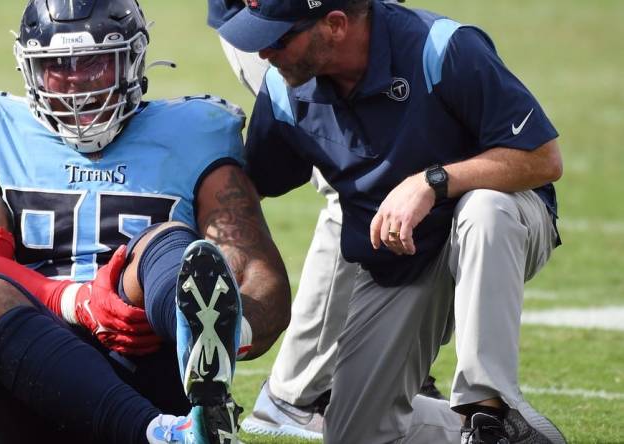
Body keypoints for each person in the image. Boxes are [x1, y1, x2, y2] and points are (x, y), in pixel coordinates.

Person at [0, 0, 291, 443]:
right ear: (28, 66)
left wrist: (232, 331)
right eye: (58, 65)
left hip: (149, 352)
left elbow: (256, 273)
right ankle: (160, 435)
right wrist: (77, 301)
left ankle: (195, 339)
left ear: (133, 58)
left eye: (95, 63)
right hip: (33, 361)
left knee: (168, 241)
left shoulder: (196, 131)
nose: (77, 81)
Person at [218, 0, 566, 443]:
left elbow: (542, 158)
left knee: (483, 209)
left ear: (336, 25)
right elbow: (252, 187)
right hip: (402, 256)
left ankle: (491, 415)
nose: (264, 53)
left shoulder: (441, 47)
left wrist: (432, 182)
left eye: (279, 38)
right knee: (353, 434)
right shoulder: (285, 89)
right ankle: (520, 437)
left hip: (500, 226)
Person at [207, 0, 443, 440]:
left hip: (346, 17)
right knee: (356, 185)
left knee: (401, 176)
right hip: (281, 21)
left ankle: (389, 367)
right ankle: (296, 394)